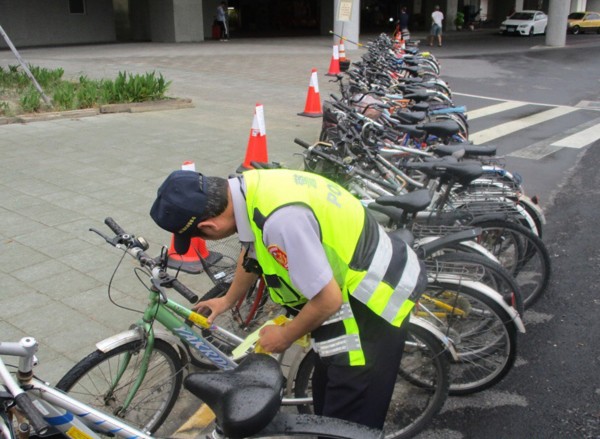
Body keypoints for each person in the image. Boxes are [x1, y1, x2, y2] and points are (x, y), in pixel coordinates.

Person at [150, 168, 428, 430]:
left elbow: (327, 300)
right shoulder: (251, 188)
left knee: (349, 420)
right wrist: (227, 300)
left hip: (372, 304)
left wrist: (284, 337)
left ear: (209, 227)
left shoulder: (281, 222)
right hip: (350, 287)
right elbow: (252, 253)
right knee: (325, 397)